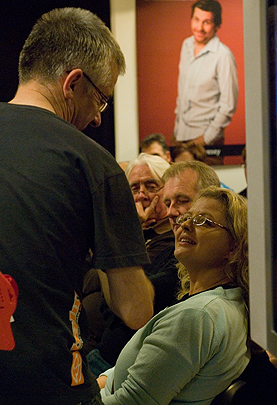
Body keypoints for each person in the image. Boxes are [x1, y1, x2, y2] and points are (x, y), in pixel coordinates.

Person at [0, 8, 155, 405]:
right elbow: (134, 309)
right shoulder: (90, 161)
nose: (99, 117)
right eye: (101, 99)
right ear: (73, 82)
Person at [99, 187, 250, 405]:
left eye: (203, 221)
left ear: (233, 247)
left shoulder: (198, 316)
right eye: (186, 218)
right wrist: (105, 378)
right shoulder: (224, 302)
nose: (186, 225)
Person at [85, 161, 221, 376]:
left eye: (182, 201)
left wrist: (113, 232)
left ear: (211, 202)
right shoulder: (174, 252)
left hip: (118, 369)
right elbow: (111, 303)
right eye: (168, 203)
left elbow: (133, 305)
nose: (171, 212)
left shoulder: (190, 259)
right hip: (105, 359)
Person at [84, 153, 173, 374]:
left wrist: (127, 228)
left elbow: (127, 301)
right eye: (134, 188)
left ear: (168, 190)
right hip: (90, 345)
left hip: (119, 360)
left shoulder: (173, 242)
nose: (141, 195)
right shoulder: (139, 235)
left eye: (151, 186)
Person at [170, 0, 238, 147]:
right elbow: (183, 93)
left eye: (206, 22)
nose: (199, 28)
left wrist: (205, 139)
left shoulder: (223, 55)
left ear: (217, 25)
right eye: (196, 20)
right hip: (179, 137)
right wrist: (176, 132)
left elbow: (228, 105)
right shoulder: (186, 45)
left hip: (205, 142)